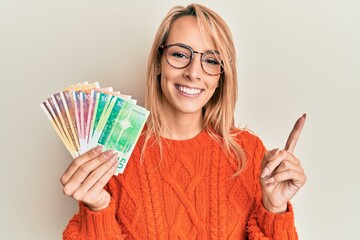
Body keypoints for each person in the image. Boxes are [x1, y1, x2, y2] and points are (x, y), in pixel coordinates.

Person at [61, 3, 306, 240]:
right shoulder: (113, 151)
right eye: (179, 54)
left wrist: (274, 209)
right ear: (158, 62)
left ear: (221, 75)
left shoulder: (249, 153)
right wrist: (97, 212)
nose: (193, 72)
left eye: (211, 60)